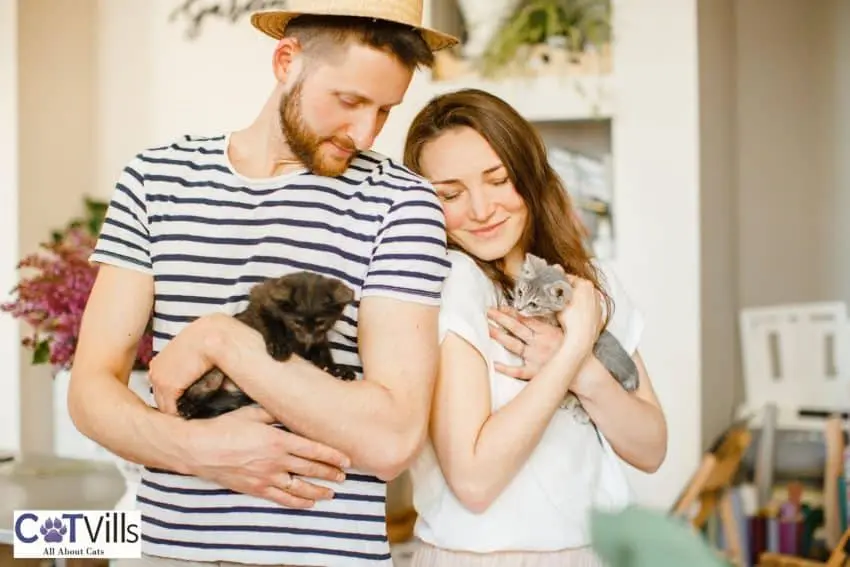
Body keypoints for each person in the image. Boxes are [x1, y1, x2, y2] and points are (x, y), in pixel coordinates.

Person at [67, 2, 459, 566]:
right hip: (165, 552)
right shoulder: (156, 180)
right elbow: (89, 392)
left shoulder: (402, 203)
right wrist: (198, 450)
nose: (365, 133)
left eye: (385, 111)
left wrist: (223, 338)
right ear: (285, 61)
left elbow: (391, 439)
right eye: (349, 102)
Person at [400, 88, 669, 566]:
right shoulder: (445, 286)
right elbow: (474, 481)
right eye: (451, 194)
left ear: (528, 173)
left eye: (498, 179)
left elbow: (650, 448)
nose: (481, 209)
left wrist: (583, 367)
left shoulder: (589, 283)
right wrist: (568, 356)